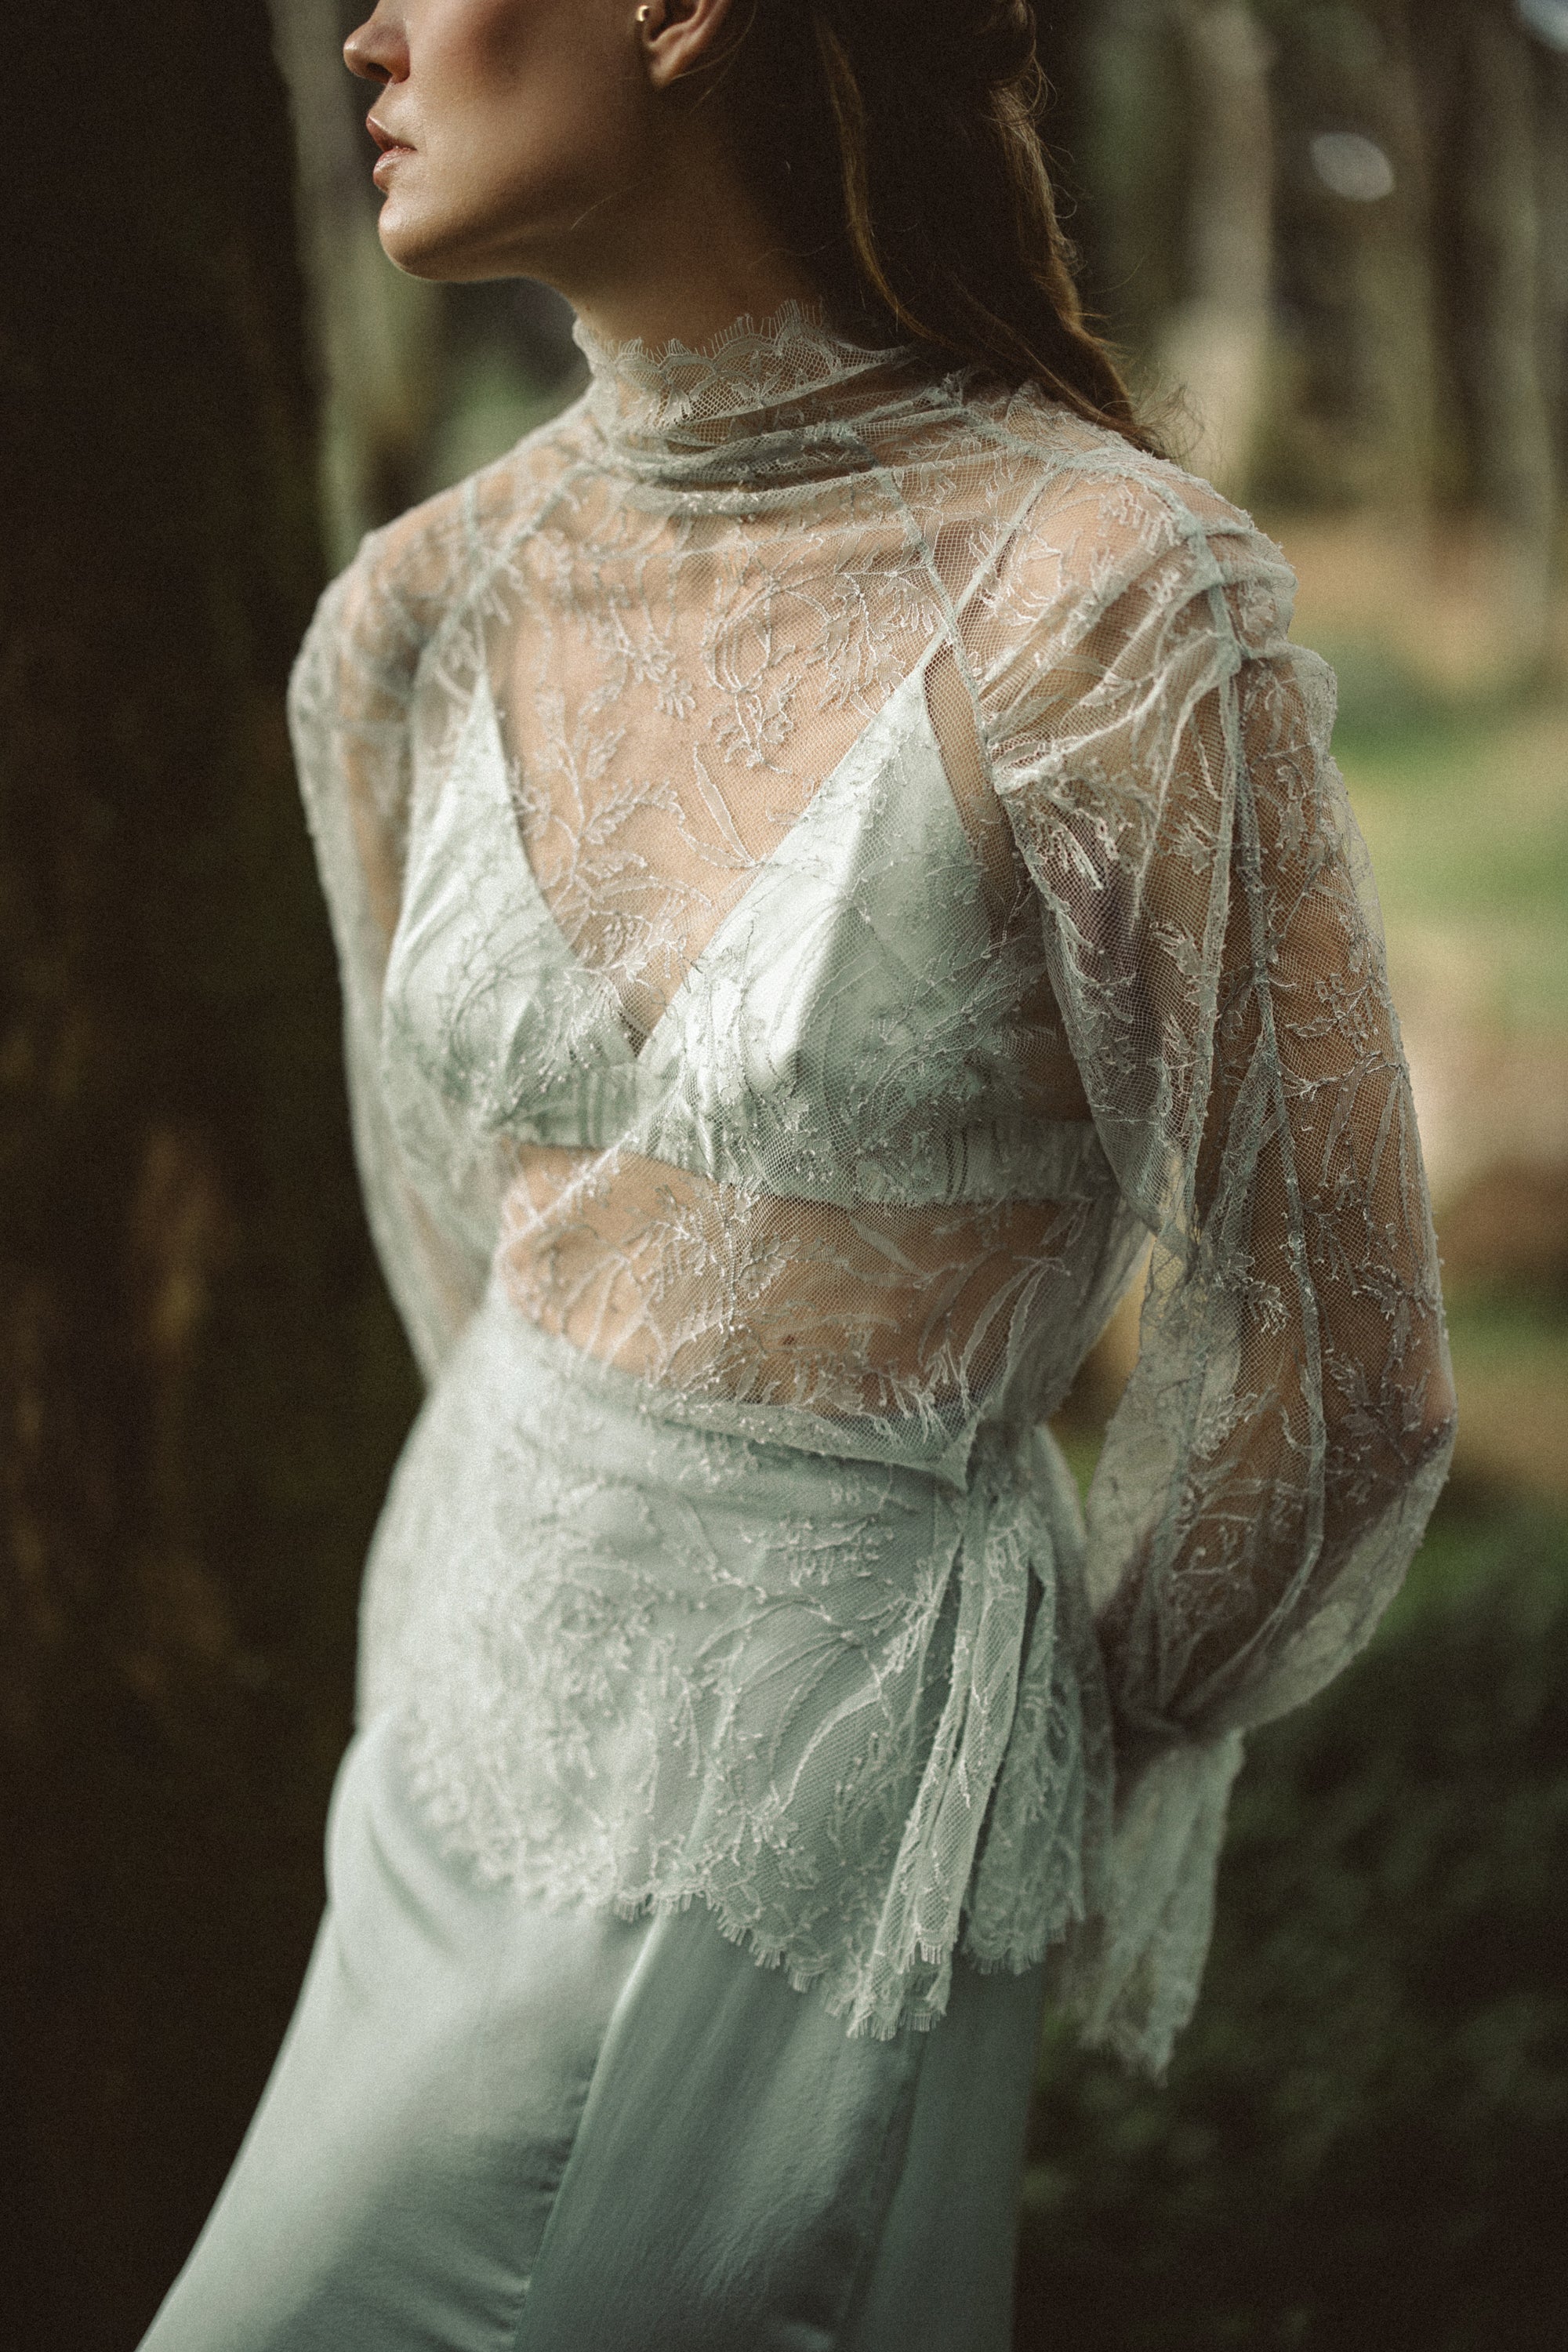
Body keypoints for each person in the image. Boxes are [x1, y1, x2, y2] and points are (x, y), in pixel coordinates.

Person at [139, 0, 1457, 2344]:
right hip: (453, 1725)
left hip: (821, 1831)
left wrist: (1018, 1733)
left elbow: (1335, 1367)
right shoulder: (415, 618)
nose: (360, 29)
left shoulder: (1116, 608)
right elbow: (449, 1222)